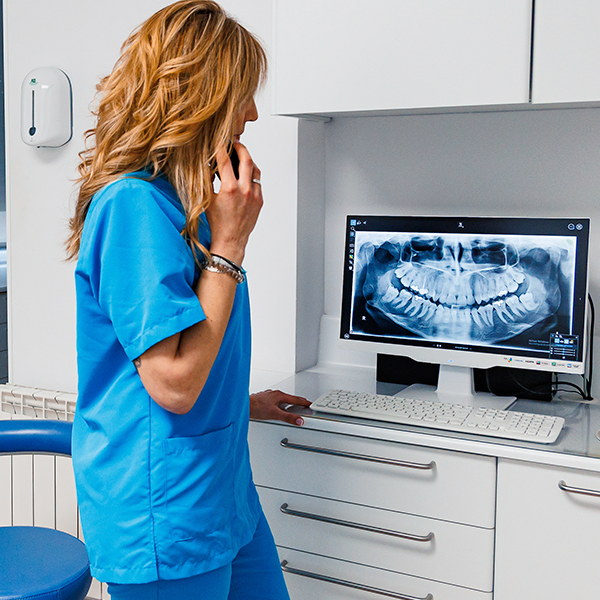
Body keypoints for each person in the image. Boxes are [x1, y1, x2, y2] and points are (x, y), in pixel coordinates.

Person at [66, 2, 310, 598]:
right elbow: (173, 384)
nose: (252, 114)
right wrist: (231, 243)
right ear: (202, 101)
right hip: (165, 512)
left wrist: (243, 401)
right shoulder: (133, 208)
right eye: (244, 97)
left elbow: (186, 350)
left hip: (221, 490)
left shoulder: (183, 207)